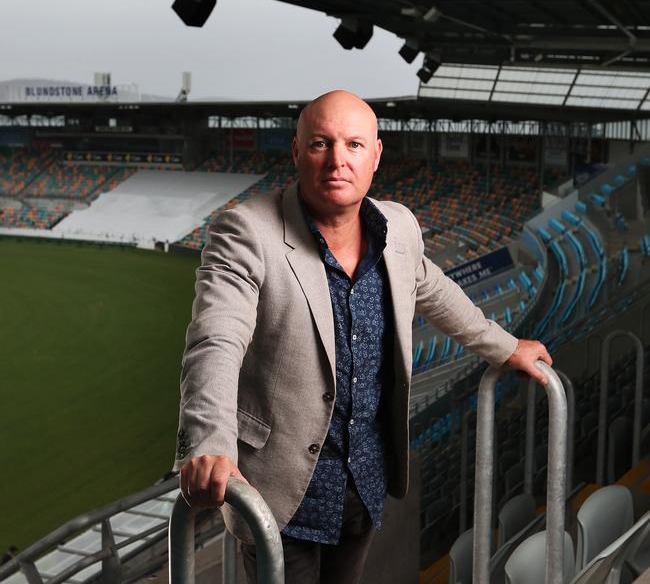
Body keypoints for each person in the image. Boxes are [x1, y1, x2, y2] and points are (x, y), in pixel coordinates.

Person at [174, 90, 552, 584]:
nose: (337, 160)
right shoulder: (246, 231)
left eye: (353, 145)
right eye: (320, 144)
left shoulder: (398, 225)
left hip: (366, 482)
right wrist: (207, 439)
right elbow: (215, 339)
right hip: (283, 492)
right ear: (296, 152)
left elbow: (434, 290)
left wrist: (505, 346)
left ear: (375, 155)